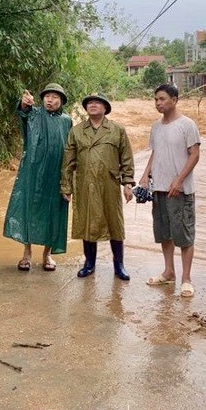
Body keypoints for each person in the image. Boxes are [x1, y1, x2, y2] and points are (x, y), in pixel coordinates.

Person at [61, 93, 135, 280]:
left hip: (109, 184)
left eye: (97, 103)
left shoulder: (117, 130)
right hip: (85, 183)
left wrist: (127, 183)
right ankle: (89, 263)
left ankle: (119, 265)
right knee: (87, 221)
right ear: (86, 108)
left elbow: (126, 159)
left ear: (105, 107)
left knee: (115, 223)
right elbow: (68, 162)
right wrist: (66, 186)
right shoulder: (76, 131)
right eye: (89, 103)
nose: (93, 105)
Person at [3, 83, 72, 271]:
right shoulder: (34, 115)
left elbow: (71, 151)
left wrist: (68, 181)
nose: (50, 100)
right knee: (29, 209)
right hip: (32, 173)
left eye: (55, 97)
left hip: (55, 175)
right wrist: (24, 105)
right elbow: (23, 112)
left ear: (62, 101)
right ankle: (26, 254)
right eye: (47, 96)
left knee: (54, 212)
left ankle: (47, 255)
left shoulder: (67, 121)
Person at [140, 84, 201, 297]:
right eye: (156, 99)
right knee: (164, 232)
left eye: (163, 99)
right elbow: (155, 153)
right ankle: (169, 272)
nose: (158, 103)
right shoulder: (156, 127)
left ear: (174, 100)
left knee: (184, 233)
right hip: (159, 188)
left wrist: (179, 180)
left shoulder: (187, 125)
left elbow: (194, 154)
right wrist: (145, 175)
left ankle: (186, 279)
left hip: (181, 190)